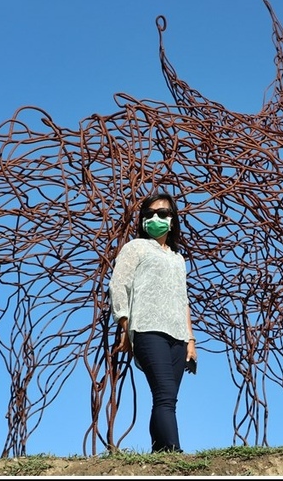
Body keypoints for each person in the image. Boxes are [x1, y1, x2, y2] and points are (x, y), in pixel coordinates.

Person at [109, 191, 197, 453]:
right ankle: (174, 452)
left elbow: (183, 299)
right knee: (165, 394)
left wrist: (191, 340)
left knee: (166, 399)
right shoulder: (135, 248)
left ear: (172, 219)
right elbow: (119, 285)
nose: (155, 218)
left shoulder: (178, 258)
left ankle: (160, 454)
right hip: (148, 329)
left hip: (178, 334)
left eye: (162, 213)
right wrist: (125, 327)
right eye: (149, 214)